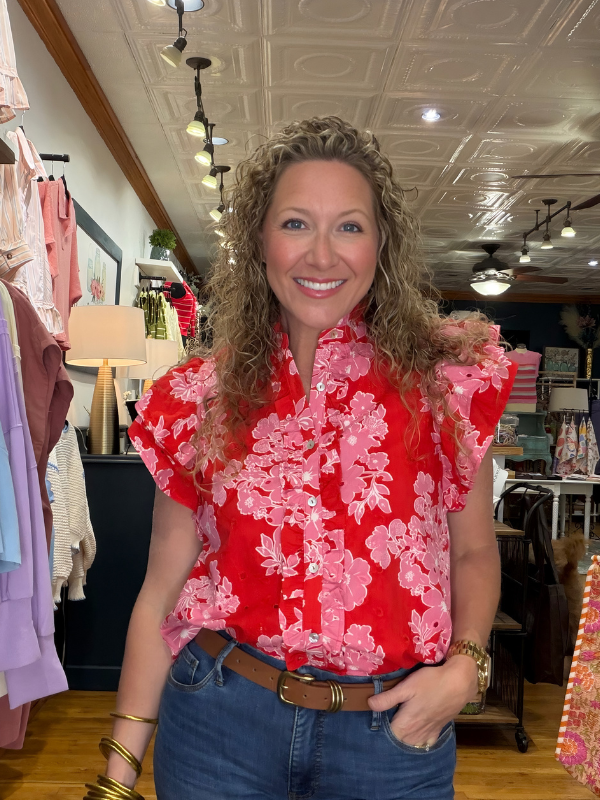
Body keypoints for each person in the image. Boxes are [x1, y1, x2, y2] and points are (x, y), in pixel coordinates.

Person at [84, 117, 517, 800]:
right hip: (219, 727)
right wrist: (117, 774)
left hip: (391, 738)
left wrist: (467, 666)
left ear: (381, 244)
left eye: (348, 226)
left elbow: (472, 552)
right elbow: (163, 589)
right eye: (295, 224)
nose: (321, 255)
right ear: (260, 241)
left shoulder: (444, 382)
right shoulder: (198, 399)